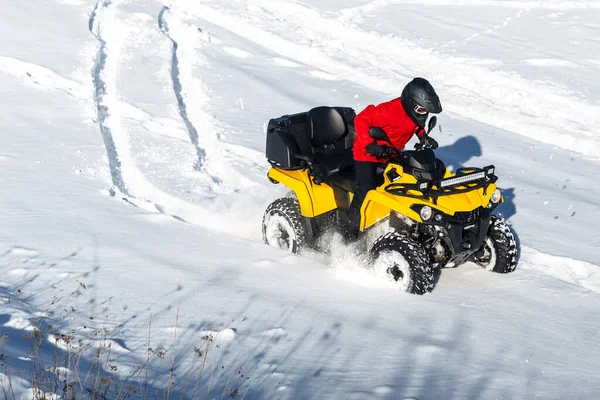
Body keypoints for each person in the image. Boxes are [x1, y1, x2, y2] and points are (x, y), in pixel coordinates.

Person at [344, 77, 443, 241]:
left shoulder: (414, 114)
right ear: (411, 104)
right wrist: (369, 144)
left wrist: (423, 136)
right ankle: (350, 230)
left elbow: (415, 125)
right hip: (367, 153)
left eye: (425, 112)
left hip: (391, 153)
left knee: (407, 184)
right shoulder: (388, 111)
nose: (423, 115)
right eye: (421, 111)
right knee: (367, 189)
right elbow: (361, 119)